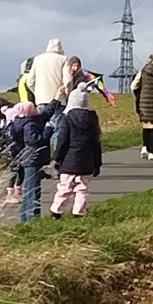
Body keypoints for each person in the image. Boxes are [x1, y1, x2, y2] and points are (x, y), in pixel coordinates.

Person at [51, 86, 102, 218]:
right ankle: (79, 212)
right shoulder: (93, 119)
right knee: (82, 190)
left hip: (68, 162)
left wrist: (56, 157)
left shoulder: (67, 118)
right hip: (86, 163)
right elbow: (96, 143)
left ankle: (57, 211)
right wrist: (97, 164)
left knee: (64, 188)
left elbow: (63, 140)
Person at [7, 101, 54, 222]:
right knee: (33, 190)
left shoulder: (23, 121)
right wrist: (48, 130)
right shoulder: (30, 125)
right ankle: (32, 218)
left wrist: (57, 99)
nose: (36, 110)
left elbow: (46, 114)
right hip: (32, 159)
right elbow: (36, 141)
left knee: (29, 189)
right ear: (29, 111)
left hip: (28, 159)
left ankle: (25, 218)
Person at [24, 41, 69, 111]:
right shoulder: (64, 59)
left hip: (41, 100)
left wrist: (37, 93)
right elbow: (67, 81)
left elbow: (30, 82)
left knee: (41, 121)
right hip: (59, 100)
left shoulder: (37, 59)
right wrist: (66, 95)